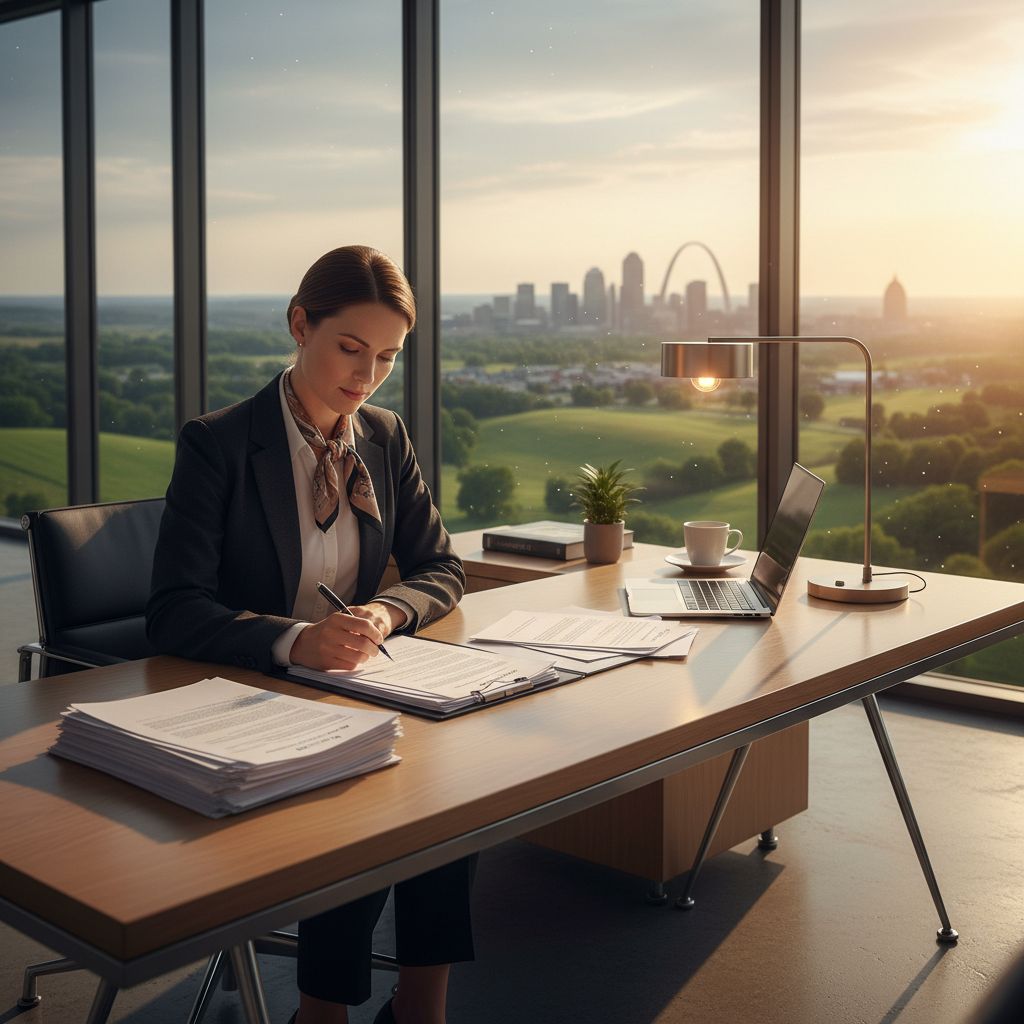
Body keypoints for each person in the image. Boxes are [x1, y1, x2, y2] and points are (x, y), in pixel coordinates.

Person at [147, 245, 474, 1024]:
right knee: (354, 794)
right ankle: (321, 1013)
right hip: (248, 692)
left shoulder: (385, 437)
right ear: (300, 325)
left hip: (351, 681)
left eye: (387, 357)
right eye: (350, 348)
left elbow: (441, 567)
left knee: (451, 791)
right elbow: (174, 609)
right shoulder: (220, 443)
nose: (367, 376)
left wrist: (384, 612)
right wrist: (297, 641)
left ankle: (420, 1008)